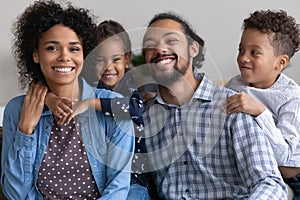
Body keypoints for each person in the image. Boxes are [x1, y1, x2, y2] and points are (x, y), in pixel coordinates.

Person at [140, 12, 288, 199]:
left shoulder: (234, 106)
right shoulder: (143, 117)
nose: (159, 49)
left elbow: (270, 184)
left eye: (170, 40)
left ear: (193, 49)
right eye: (150, 45)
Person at [1, 1, 134, 199]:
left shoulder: (112, 106)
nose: (64, 57)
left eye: (74, 49)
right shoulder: (16, 110)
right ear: (36, 54)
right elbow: (15, 194)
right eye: (52, 48)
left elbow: (118, 189)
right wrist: (25, 131)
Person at [45, 19, 154, 199]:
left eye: (116, 59)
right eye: (100, 60)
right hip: (102, 175)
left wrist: (90, 103)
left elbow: (133, 108)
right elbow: (48, 87)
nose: (108, 67)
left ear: (126, 60)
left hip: (135, 179)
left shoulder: (129, 87)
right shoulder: (91, 87)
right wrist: (50, 99)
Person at [224, 10, 300, 199]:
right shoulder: (234, 85)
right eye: (241, 50)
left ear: (280, 62)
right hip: (254, 172)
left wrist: (260, 111)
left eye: (254, 52)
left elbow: (284, 155)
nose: (243, 58)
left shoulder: (291, 96)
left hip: (293, 177)